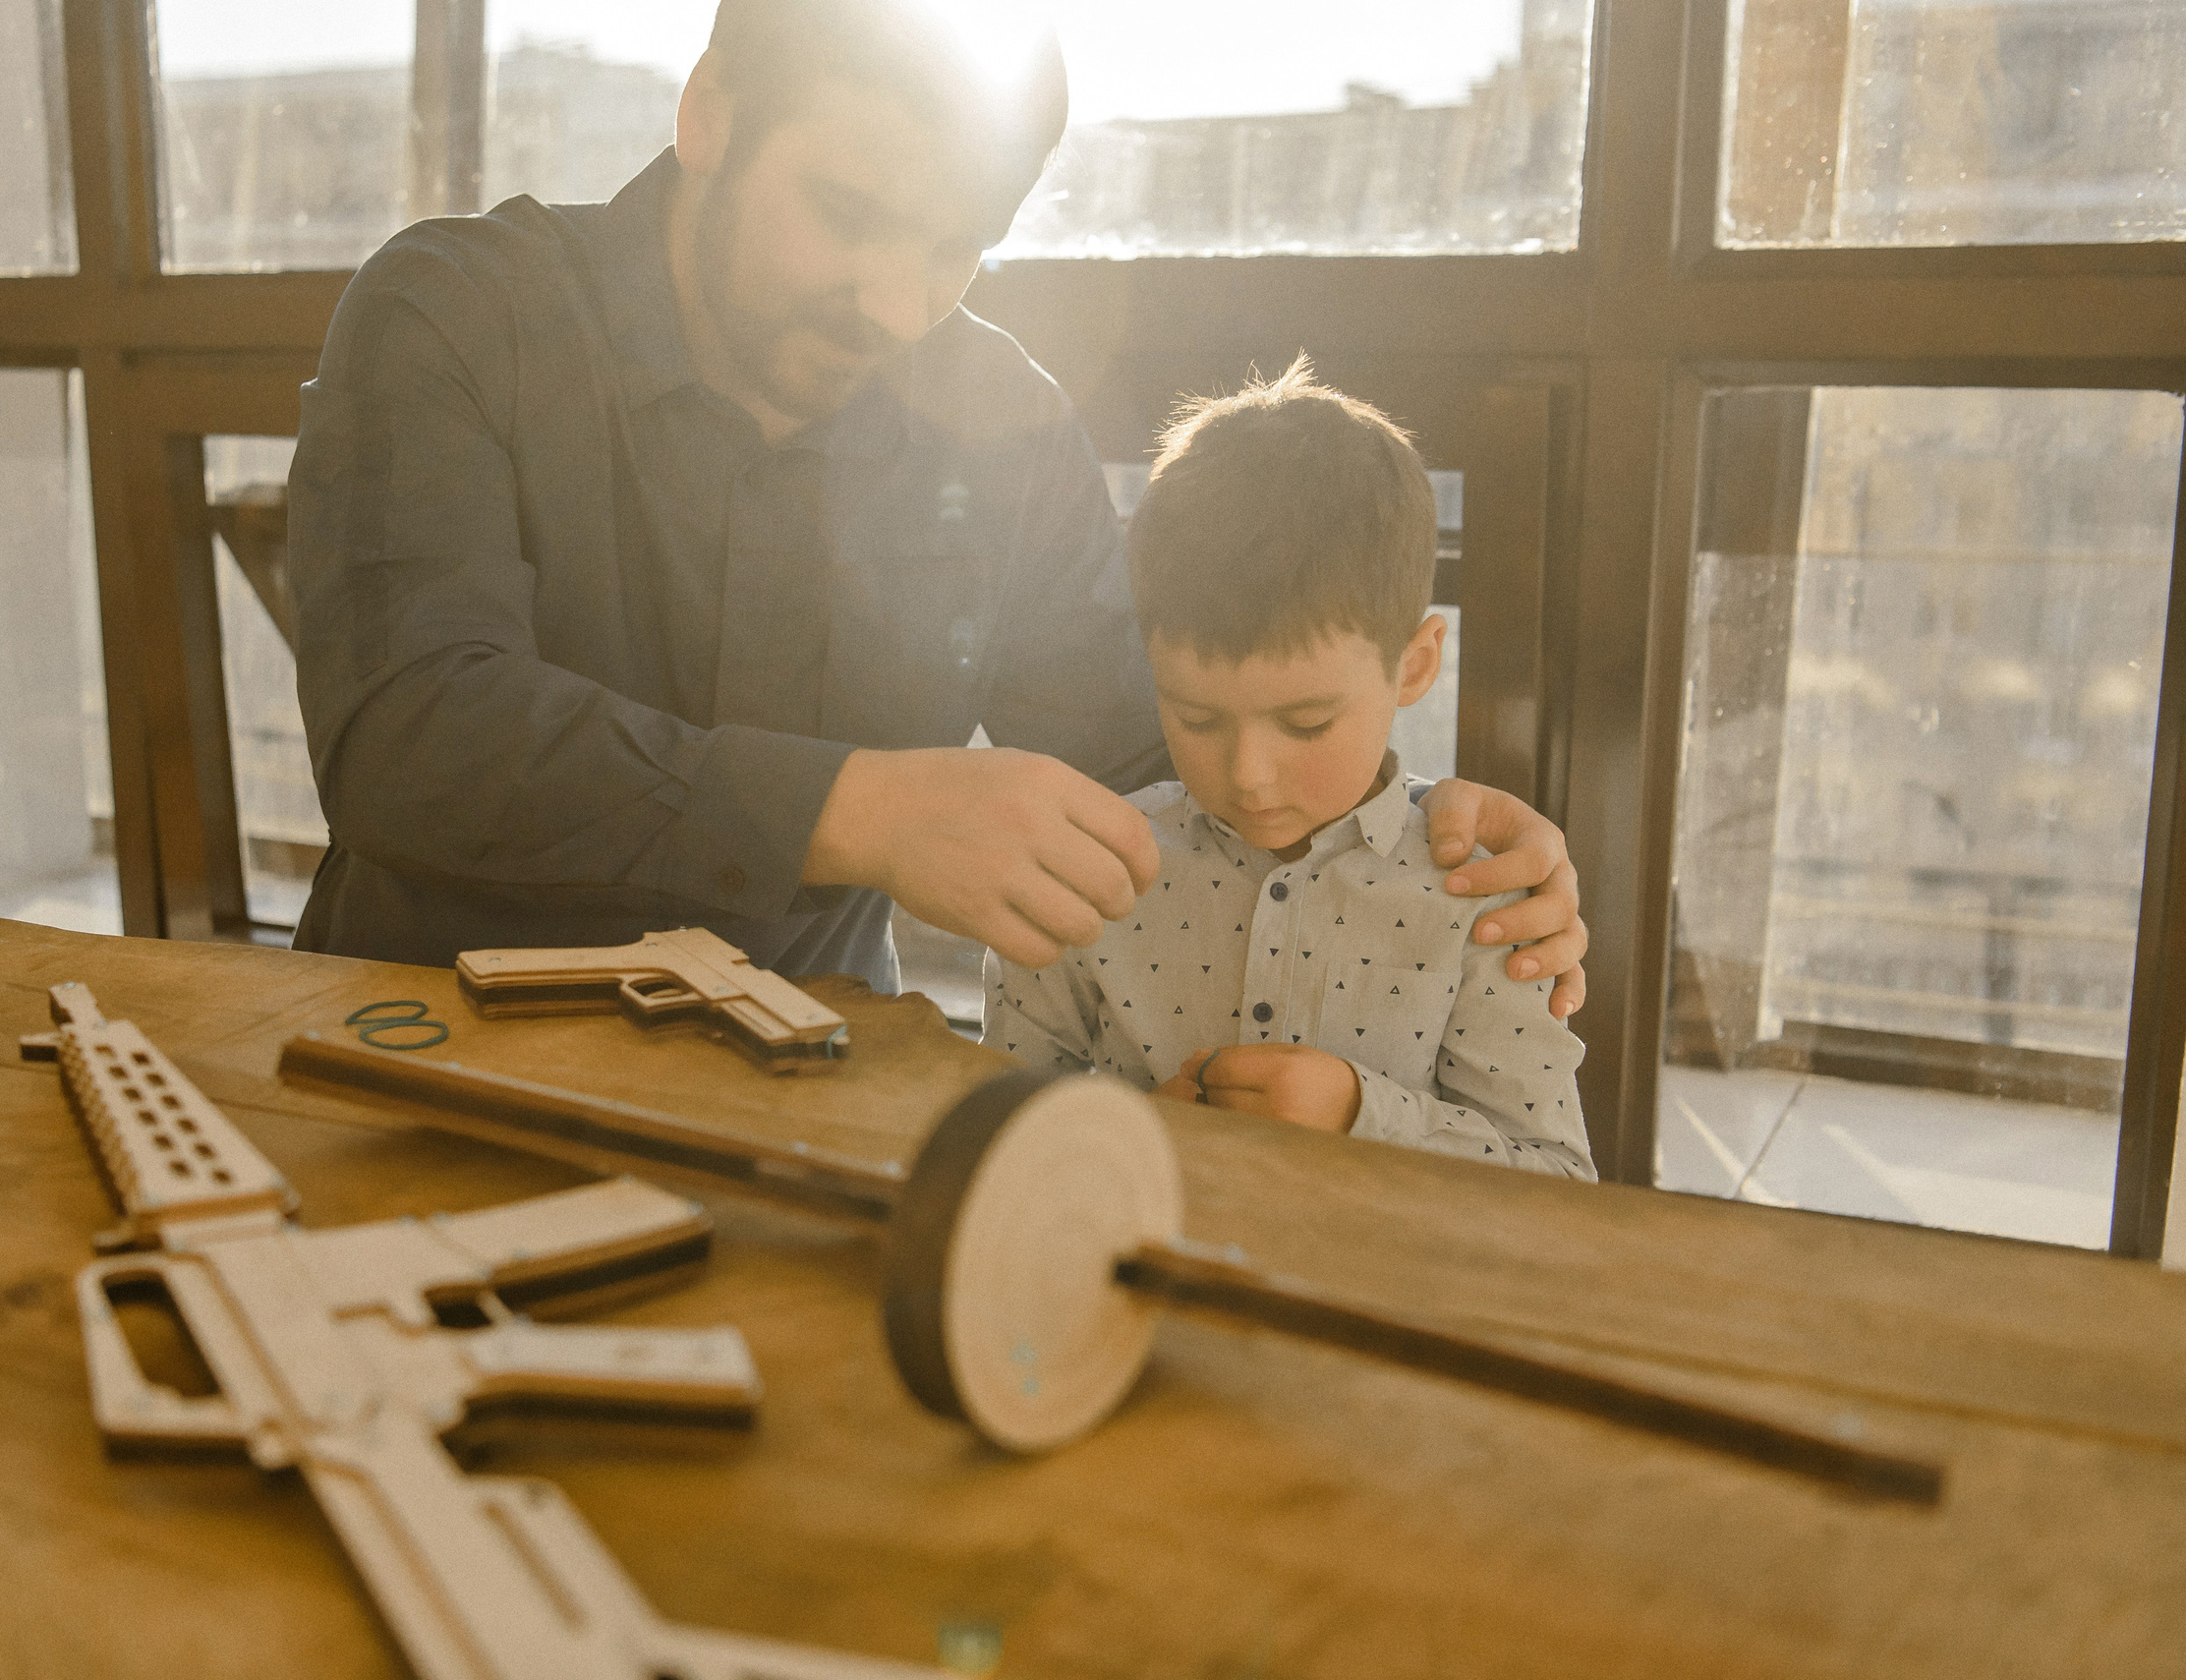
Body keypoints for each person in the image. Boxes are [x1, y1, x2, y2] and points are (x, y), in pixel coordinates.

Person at [285, 0, 1591, 1014]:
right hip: (418, 1042)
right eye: (848, 214)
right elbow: (408, 737)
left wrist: (1418, 843)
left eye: (956, 246)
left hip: (816, 1078)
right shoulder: (457, 310)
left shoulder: (1002, 421)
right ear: (709, 116)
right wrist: (862, 811)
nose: (896, 304)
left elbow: (1156, 773)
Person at [990, 360, 1593, 1177]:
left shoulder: (1482, 901)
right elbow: (993, 1127)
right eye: (1196, 716)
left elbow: (1559, 1181)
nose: (1250, 774)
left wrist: (1363, 1117)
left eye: (1307, 722)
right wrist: (1126, 1133)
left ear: (1416, 665)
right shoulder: (1089, 873)